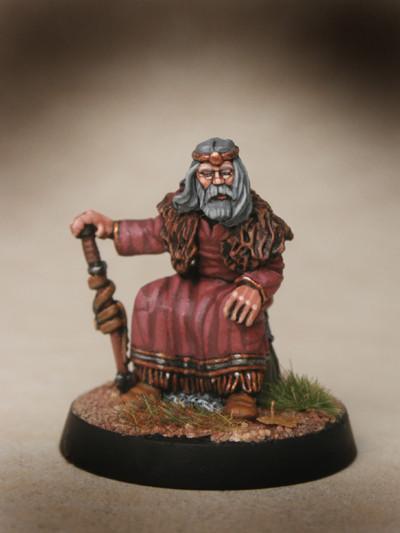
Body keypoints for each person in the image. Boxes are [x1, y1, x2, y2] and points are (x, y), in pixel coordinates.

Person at [71, 138, 293, 418]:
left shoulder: (258, 220)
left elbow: (273, 266)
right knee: (152, 298)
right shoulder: (182, 215)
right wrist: (111, 228)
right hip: (191, 282)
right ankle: (153, 380)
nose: (217, 182)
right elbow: (151, 233)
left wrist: (255, 286)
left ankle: (240, 389)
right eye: (207, 174)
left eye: (225, 173)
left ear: (238, 176)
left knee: (233, 311)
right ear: (195, 178)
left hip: (232, 286)